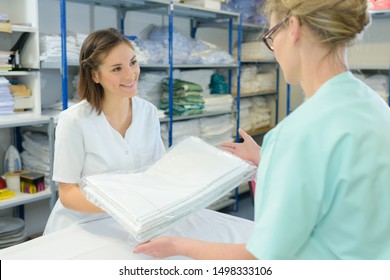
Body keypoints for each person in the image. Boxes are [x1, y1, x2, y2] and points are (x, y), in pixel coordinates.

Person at [134, 0, 390, 259]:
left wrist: (178, 246)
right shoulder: (374, 106)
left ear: (293, 28)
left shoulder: (298, 133)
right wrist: (267, 159)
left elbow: (262, 257)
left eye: (271, 35)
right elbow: (342, 185)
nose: (273, 49)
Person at [44, 28, 165, 234]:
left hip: (136, 222)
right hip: (83, 225)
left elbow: (157, 173)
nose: (130, 74)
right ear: (95, 75)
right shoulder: (74, 120)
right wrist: (122, 207)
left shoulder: (148, 113)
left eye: (133, 63)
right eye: (116, 68)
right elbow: (67, 193)